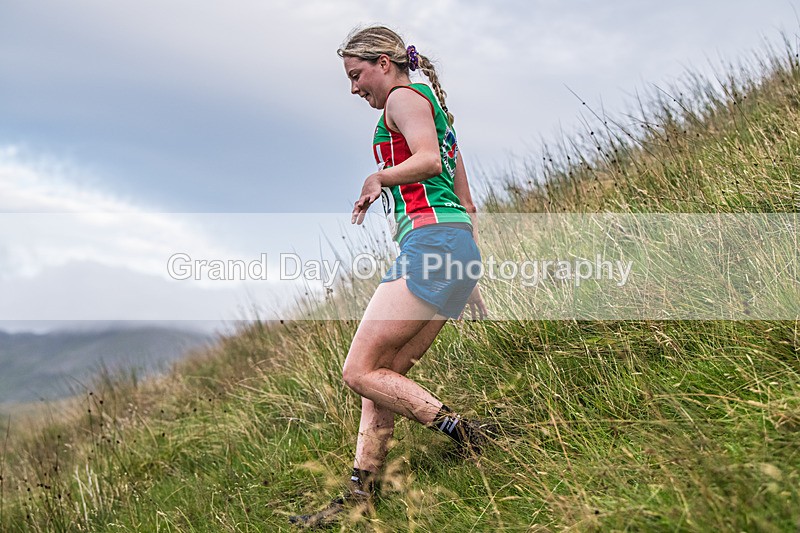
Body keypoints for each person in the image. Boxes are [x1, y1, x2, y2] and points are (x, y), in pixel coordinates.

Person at [288, 25, 492, 529]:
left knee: (358, 371)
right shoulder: (434, 107)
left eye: (356, 76)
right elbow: (463, 200)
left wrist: (380, 177)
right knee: (382, 376)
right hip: (451, 246)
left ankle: (465, 434)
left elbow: (427, 160)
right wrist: (468, 273)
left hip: (429, 246)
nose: (354, 88)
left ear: (384, 63)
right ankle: (361, 495)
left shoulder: (403, 98)